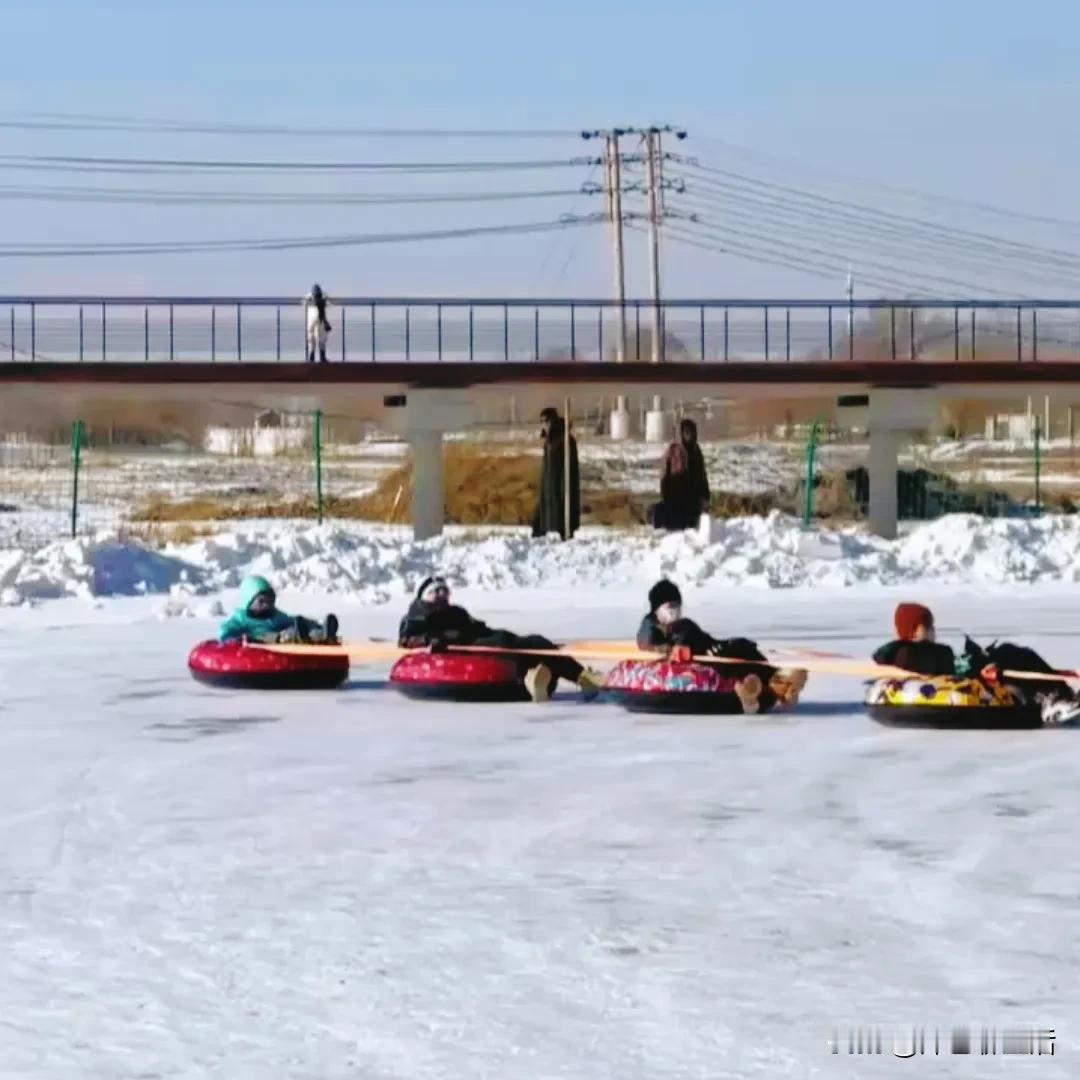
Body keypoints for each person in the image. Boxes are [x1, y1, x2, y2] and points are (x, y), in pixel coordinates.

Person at [398, 574, 601, 703]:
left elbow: (474, 625)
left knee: (536, 642)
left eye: (445, 590)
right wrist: (432, 640)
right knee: (503, 646)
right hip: (464, 647)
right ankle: (528, 677)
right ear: (425, 595)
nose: (442, 595)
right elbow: (408, 639)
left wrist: (479, 629)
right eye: (436, 592)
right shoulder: (419, 614)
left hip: (477, 638)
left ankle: (582, 677)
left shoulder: (455, 611)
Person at [636, 579, 806, 711]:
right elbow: (646, 643)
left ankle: (779, 680)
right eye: (670, 607)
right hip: (699, 657)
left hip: (706, 648)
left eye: (678, 606)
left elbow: (700, 639)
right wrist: (670, 650)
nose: (676, 611)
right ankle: (745, 688)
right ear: (657, 609)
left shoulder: (684, 624)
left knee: (740, 646)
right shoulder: (651, 625)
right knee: (719, 660)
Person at [218, 575, 339, 645]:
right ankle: (295, 636)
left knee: (296, 625)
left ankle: (321, 634)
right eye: (262, 602)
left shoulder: (274, 616)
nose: (267, 605)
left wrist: (313, 625)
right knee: (280, 635)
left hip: (280, 642)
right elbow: (225, 632)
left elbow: (293, 621)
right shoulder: (241, 619)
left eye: (270, 601)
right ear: (248, 601)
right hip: (261, 643)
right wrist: (236, 640)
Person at [531, 407, 580, 541]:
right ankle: (538, 537)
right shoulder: (549, 440)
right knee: (542, 514)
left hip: (561, 482)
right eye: (541, 421)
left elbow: (569, 465)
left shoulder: (564, 440)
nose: (544, 425)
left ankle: (565, 537)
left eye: (546, 421)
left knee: (562, 512)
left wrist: (565, 483)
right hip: (548, 482)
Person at [653, 419, 711, 531]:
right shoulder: (673, 451)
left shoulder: (696, 451)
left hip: (693, 497)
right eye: (686, 432)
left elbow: (702, 476)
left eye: (691, 432)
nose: (688, 435)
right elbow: (664, 476)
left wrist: (705, 497)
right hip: (675, 496)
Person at [872, 603, 957, 677]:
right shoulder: (940, 653)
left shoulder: (890, 652)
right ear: (914, 630)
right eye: (928, 627)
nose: (933, 630)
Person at [303, 284, 332, 364]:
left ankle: (315, 358)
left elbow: (303, 303)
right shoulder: (321, 299)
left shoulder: (309, 298)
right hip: (317, 320)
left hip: (317, 321)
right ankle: (315, 357)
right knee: (314, 338)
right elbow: (329, 303)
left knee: (318, 338)